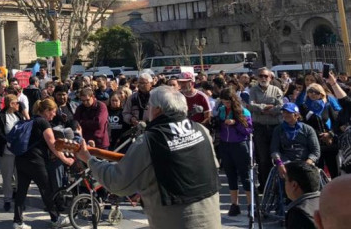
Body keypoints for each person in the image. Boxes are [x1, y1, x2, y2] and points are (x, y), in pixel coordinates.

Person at [74, 86, 221, 229]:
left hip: (176, 221)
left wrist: (89, 159)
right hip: (211, 218)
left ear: (157, 110)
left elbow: (118, 182)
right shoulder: (201, 130)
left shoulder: (150, 141)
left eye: (149, 106)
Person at [12, 98, 74, 229]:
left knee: (21, 191)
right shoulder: (43, 123)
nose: (54, 115)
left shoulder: (31, 119)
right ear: (46, 110)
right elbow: (53, 145)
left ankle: (17, 221)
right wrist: (65, 160)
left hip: (21, 159)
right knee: (47, 190)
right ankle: (56, 219)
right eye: (52, 112)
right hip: (36, 161)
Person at [216, 87, 253, 216]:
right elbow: (218, 128)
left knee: (245, 176)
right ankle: (234, 204)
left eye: (228, 102)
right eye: (223, 102)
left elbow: (248, 130)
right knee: (230, 175)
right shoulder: (220, 111)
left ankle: (250, 205)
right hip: (225, 145)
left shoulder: (243, 111)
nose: (226, 104)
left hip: (239, 145)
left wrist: (235, 123)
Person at [248, 67, 284, 188]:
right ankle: (266, 185)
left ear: (270, 77)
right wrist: (264, 107)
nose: (263, 78)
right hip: (260, 128)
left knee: (278, 156)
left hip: (275, 127)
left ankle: (280, 184)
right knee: (263, 159)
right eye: (261, 76)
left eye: (265, 76)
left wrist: (270, 110)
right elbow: (251, 106)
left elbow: (281, 107)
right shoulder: (253, 90)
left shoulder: (276, 90)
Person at [298, 83, 342, 177]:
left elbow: (337, 123)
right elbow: (303, 125)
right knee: (317, 172)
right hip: (313, 143)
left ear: (321, 94)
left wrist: (330, 134)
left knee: (335, 171)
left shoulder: (327, 106)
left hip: (329, 142)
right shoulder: (303, 107)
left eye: (316, 92)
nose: (313, 94)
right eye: (310, 91)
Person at [271, 103, 320, 177]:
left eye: (289, 113)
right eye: (284, 112)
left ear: (296, 115)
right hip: (286, 162)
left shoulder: (308, 129)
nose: (285, 115)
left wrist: (308, 162)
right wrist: (279, 163)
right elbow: (274, 149)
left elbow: (315, 151)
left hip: (305, 161)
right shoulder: (278, 130)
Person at [0, 93, 20, 211]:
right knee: (7, 176)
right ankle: (7, 199)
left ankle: (20, 198)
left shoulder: (18, 115)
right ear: (11, 104)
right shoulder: (1, 116)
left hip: (18, 151)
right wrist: (8, 141)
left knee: (19, 176)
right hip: (6, 151)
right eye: (16, 103)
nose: (19, 105)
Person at [283, 161, 320, 229]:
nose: (284, 185)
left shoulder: (298, 213)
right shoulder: (327, 201)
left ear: (294, 185)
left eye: (286, 181)